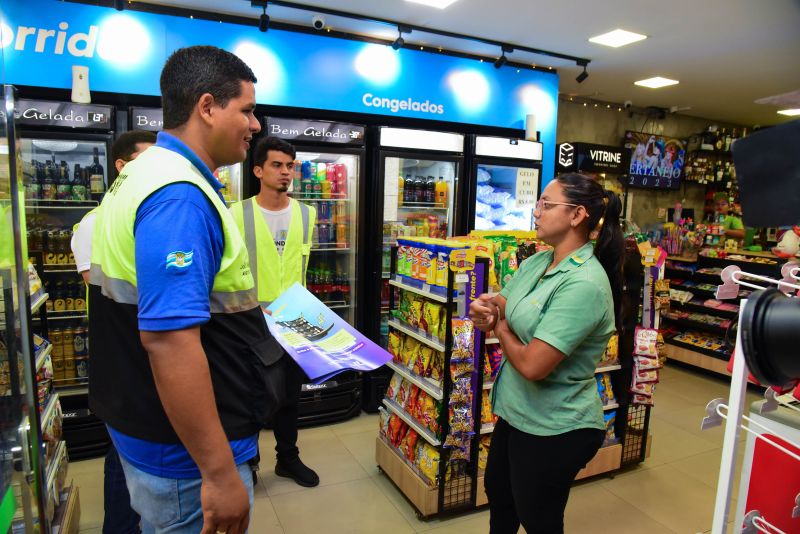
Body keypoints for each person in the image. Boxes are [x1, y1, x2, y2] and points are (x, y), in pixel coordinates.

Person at [88, 45, 270, 534]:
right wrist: (219, 473)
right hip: (183, 455)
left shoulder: (141, 175)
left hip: (143, 420)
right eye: (247, 110)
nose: (255, 126)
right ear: (207, 107)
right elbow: (169, 342)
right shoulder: (179, 197)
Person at [470, 173, 624, 534]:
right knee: (501, 498)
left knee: (539, 519)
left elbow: (533, 365)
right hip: (516, 413)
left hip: (555, 426)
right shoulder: (538, 263)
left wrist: (498, 326)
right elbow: (505, 304)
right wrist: (487, 309)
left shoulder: (584, 283)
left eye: (546, 204)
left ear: (577, 215)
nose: (535, 212)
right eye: (538, 203)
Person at [70, 129, 156, 534]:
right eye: (147, 161)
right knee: (122, 454)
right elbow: (105, 288)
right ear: (121, 168)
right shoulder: (94, 223)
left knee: (137, 452)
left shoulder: (144, 214)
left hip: (146, 353)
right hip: (120, 355)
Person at [229, 136, 319, 487]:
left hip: (294, 320)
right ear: (258, 170)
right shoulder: (236, 214)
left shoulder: (306, 214)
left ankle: (288, 459)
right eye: (277, 165)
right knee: (250, 395)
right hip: (249, 321)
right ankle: (248, 462)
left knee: (289, 396)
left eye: (290, 166)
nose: (285, 172)